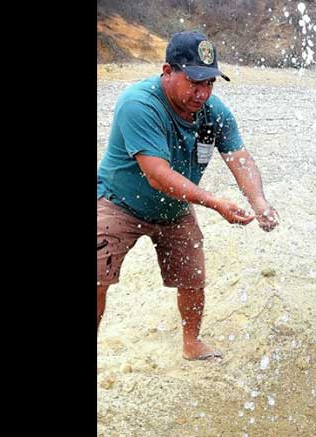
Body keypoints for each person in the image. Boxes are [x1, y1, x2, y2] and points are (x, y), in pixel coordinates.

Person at [97, 31, 279, 361]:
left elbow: (239, 156)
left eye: (209, 83)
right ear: (168, 71)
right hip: (119, 202)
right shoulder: (139, 104)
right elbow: (157, 174)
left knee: (193, 276)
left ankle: (192, 342)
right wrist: (215, 202)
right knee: (97, 274)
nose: (202, 92)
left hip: (175, 208)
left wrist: (260, 202)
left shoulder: (213, 110)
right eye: (194, 82)